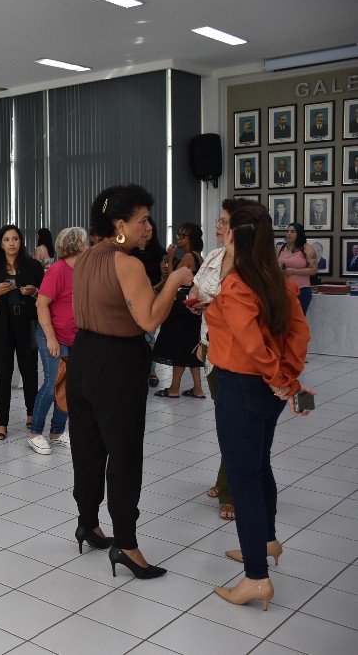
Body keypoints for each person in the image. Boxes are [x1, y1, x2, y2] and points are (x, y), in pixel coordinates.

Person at [68, 184, 193, 579]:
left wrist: (158, 287)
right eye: (143, 220)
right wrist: (176, 280)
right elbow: (149, 319)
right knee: (123, 454)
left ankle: (87, 523)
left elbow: (115, 303)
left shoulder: (85, 257)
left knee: (87, 448)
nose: (149, 227)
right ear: (120, 225)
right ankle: (126, 543)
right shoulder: (128, 263)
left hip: (83, 357)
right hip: (117, 364)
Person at [207, 203, 313, 610]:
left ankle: (255, 577)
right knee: (260, 466)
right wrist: (288, 377)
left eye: (225, 225)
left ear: (236, 236)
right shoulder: (278, 281)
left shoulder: (238, 285)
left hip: (242, 387)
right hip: (267, 391)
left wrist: (280, 379)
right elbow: (299, 334)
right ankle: (265, 542)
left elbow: (251, 344)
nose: (220, 230)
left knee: (244, 480)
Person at [188, 199, 248, 522]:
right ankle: (227, 478)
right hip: (211, 348)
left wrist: (211, 306)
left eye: (224, 222)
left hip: (240, 352)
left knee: (235, 422)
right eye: (219, 220)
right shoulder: (213, 257)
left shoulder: (252, 265)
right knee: (224, 418)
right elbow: (196, 289)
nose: (217, 226)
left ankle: (231, 491)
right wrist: (196, 302)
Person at [0, 225, 43, 443]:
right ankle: (2, 422)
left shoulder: (33, 266)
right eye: (6, 239)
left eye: (15, 238)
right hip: (2, 327)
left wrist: (34, 292)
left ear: (21, 241)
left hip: (27, 325)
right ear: (1, 243)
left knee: (29, 371)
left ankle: (31, 414)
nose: (11, 243)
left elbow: (46, 296)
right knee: (2, 374)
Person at [30, 227, 86, 448]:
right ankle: (35, 433)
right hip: (53, 335)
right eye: (85, 243)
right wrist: (51, 338)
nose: (88, 247)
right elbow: (41, 304)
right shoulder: (57, 270)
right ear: (78, 245)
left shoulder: (82, 270)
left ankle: (57, 431)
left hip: (74, 337)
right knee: (52, 384)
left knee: (68, 386)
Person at [153, 223, 206, 400]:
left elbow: (173, 280)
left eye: (183, 236)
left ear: (191, 239)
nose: (179, 239)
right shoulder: (199, 257)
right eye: (178, 235)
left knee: (179, 348)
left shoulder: (189, 257)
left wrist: (169, 257)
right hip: (191, 309)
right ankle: (198, 388)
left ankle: (174, 388)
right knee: (191, 348)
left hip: (182, 309)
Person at [131, 216, 165, 387]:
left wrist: (154, 289)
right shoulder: (130, 252)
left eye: (150, 230)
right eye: (145, 229)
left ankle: (152, 369)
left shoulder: (159, 253)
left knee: (149, 336)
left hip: (152, 297)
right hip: (132, 298)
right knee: (134, 336)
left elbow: (165, 278)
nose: (147, 233)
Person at [276, 224, 318, 314]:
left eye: (292, 232)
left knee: (298, 319)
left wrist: (292, 271)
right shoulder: (280, 248)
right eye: (287, 231)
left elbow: (313, 270)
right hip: (282, 289)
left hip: (301, 291)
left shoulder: (307, 249)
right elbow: (273, 265)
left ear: (299, 234)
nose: (289, 234)